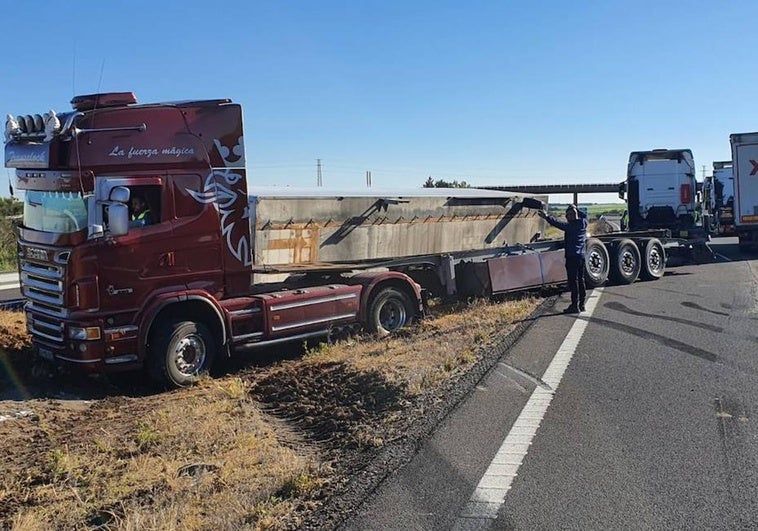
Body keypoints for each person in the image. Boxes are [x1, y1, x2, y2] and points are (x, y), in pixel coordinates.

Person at [538, 205, 588, 313]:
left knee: (573, 282)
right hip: (582, 256)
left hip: (572, 257)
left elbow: (557, 223)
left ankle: (575, 306)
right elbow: (584, 215)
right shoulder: (583, 223)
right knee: (581, 280)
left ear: (569, 216)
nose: (566, 218)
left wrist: (546, 217)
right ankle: (582, 304)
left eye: (567, 215)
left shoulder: (570, 226)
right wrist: (575, 209)